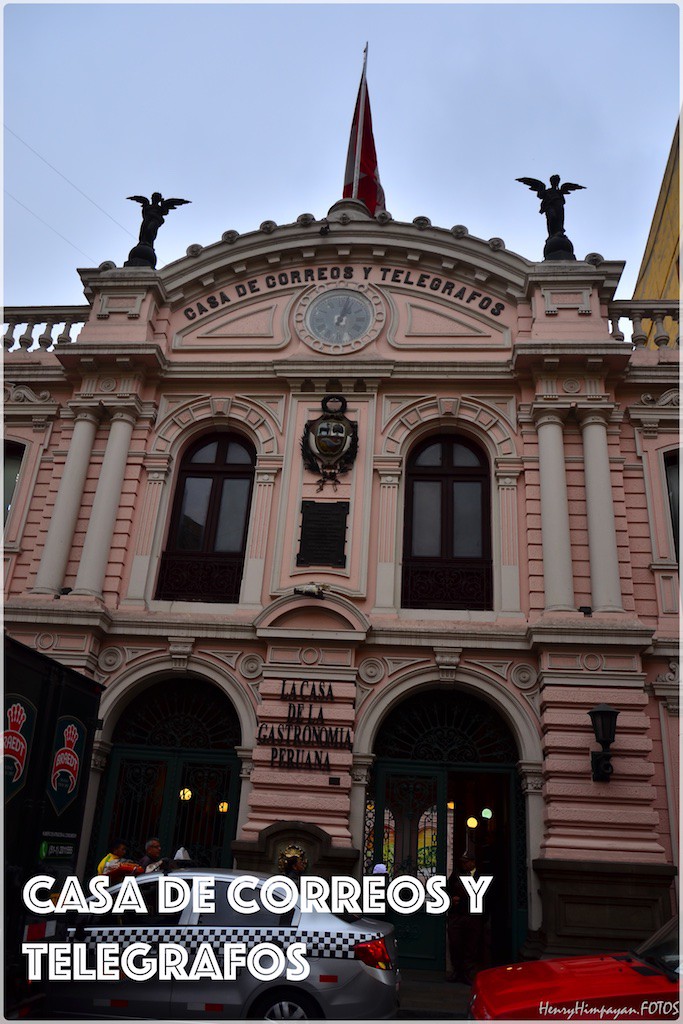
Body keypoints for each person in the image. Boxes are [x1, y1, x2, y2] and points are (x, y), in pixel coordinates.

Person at [446, 854, 488, 985]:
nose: (464, 865)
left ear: (473, 862)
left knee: (471, 946)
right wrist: (452, 899)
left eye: (466, 862)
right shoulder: (457, 875)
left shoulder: (481, 876)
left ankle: (467, 973)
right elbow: (447, 890)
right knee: (455, 944)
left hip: (473, 917)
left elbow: (486, 896)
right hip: (458, 915)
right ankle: (457, 972)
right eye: (463, 862)